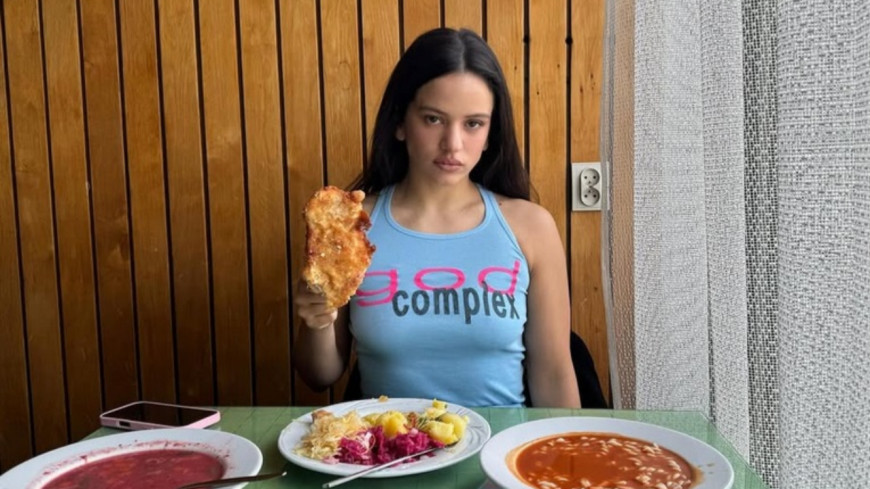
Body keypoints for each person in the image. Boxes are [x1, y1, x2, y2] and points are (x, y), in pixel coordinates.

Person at [293, 27, 581, 408]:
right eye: (433, 119)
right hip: (386, 443)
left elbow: (555, 375)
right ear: (400, 122)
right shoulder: (351, 226)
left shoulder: (532, 227)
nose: (453, 144)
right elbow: (320, 375)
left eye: (473, 123)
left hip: (500, 443)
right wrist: (317, 322)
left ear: (491, 133)